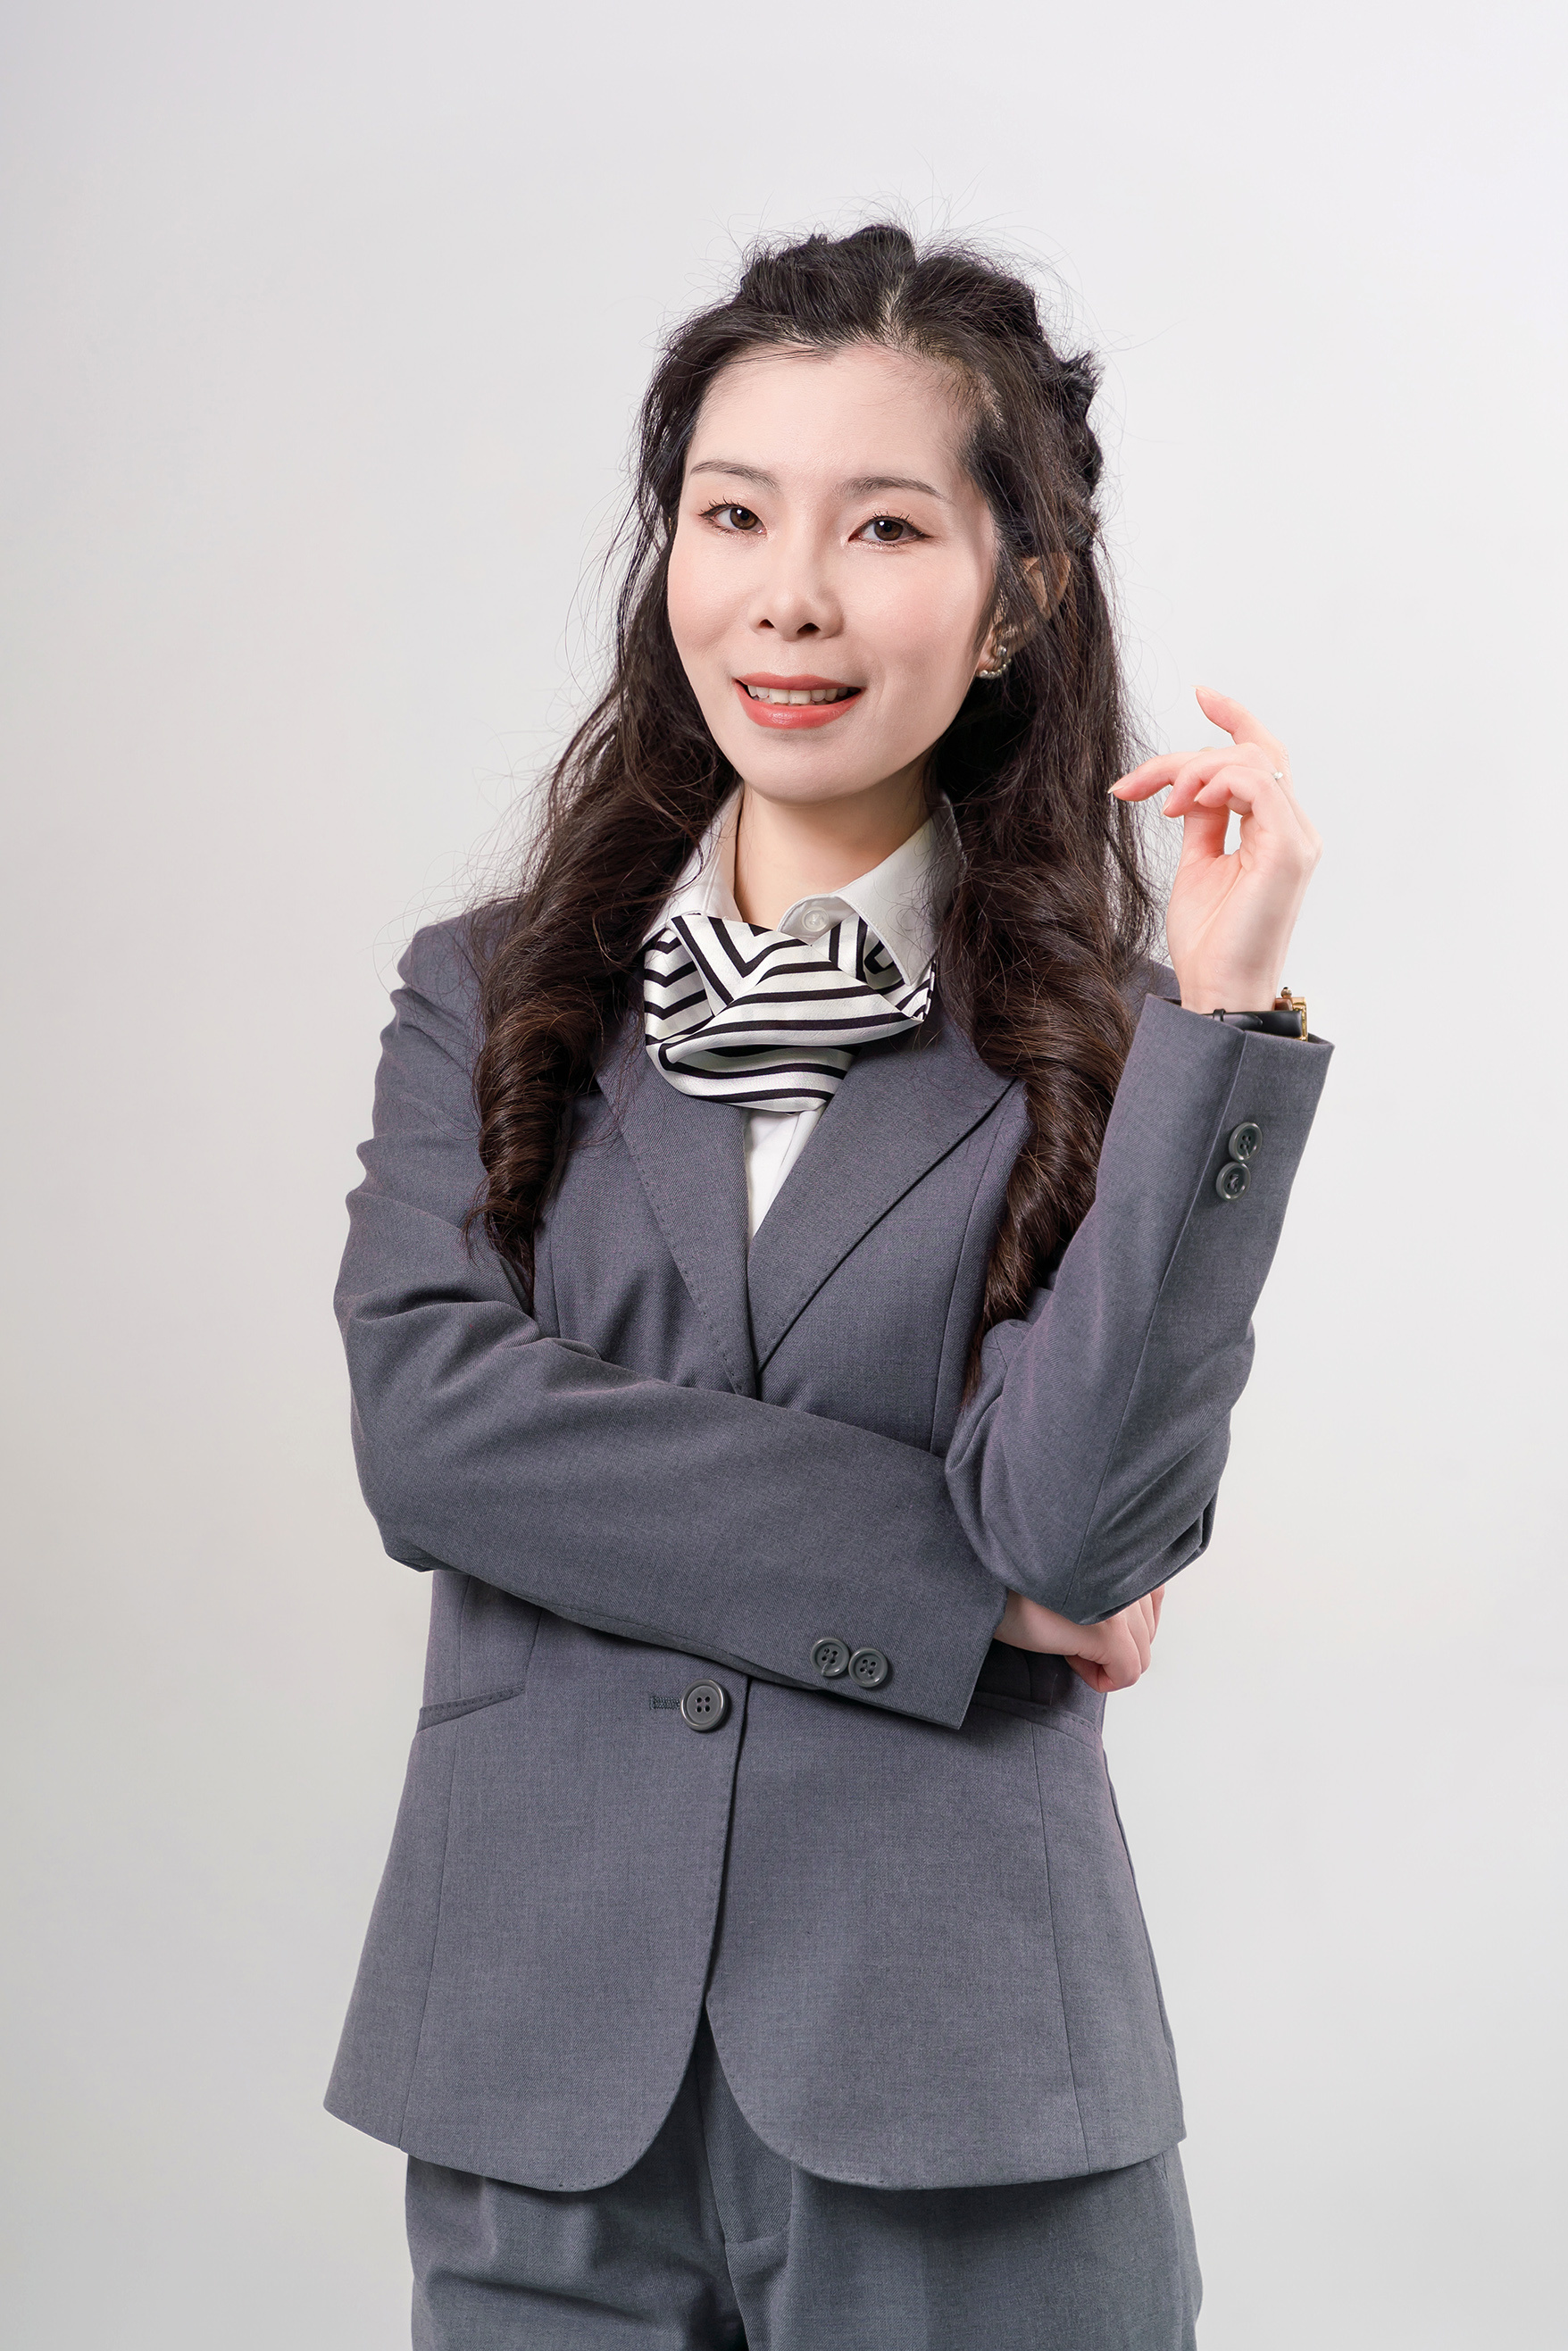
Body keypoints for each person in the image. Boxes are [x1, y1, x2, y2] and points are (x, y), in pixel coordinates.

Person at [326, 223, 1329, 2349]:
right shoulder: (487, 997)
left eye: (879, 526)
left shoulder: (1115, 1044)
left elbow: (1075, 1534)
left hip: (960, 2084)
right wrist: (949, 1591)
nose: (787, 595)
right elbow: (433, 1433)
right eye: (731, 516)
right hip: (534, 2075)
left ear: (1011, 597)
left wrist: (1220, 1026)